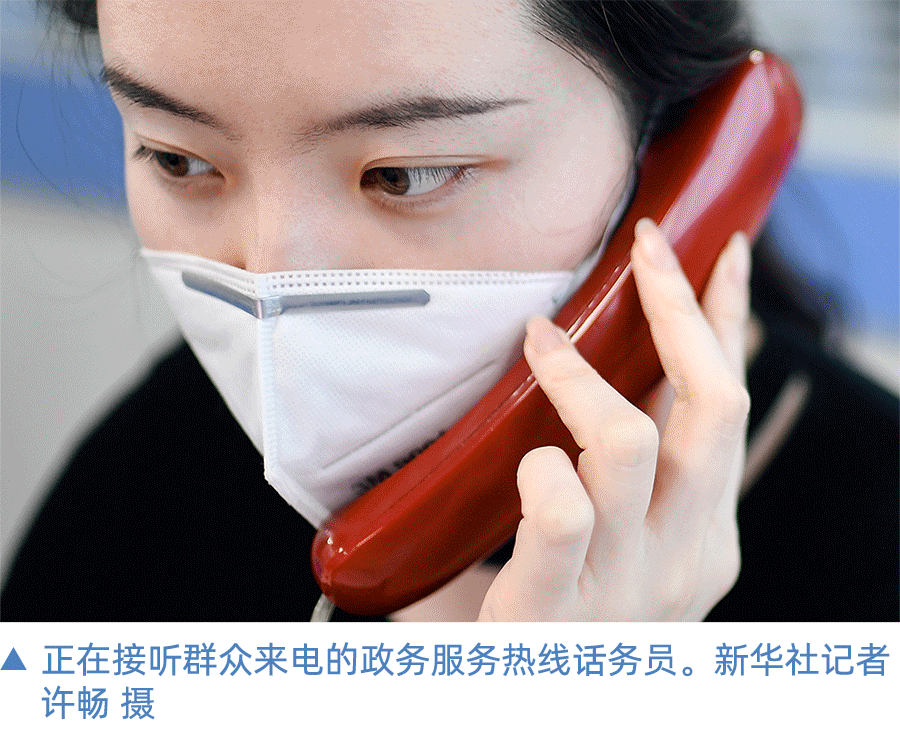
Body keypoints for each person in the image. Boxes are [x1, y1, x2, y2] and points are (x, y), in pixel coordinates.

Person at [2, 0, 897, 622]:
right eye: (178, 160)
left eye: (405, 173)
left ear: (680, 146)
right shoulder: (155, 473)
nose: (274, 283)